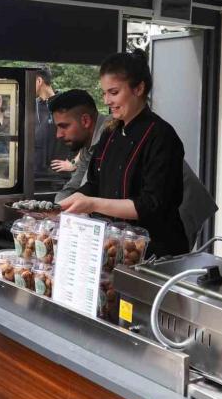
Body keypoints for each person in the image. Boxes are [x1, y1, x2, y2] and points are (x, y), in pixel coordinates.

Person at [60, 50, 189, 257]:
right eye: (104, 93)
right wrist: (60, 207)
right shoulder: (110, 133)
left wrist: (92, 204)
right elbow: (94, 183)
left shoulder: (161, 136)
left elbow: (152, 205)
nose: (107, 101)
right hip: (116, 247)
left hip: (155, 251)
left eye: (113, 92)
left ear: (139, 88)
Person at [50, 89, 110, 203]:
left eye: (64, 126)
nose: (58, 135)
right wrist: (58, 207)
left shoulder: (112, 139)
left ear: (85, 121)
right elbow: (74, 186)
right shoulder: (87, 146)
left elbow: (85, 193)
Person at [32, 65, 71, 177]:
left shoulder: (66, 104)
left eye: (30, 82)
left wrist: (73, 163)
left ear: (39, 81)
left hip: (59, 176)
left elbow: (87, 137)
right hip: (34, 175)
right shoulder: (31, 105)